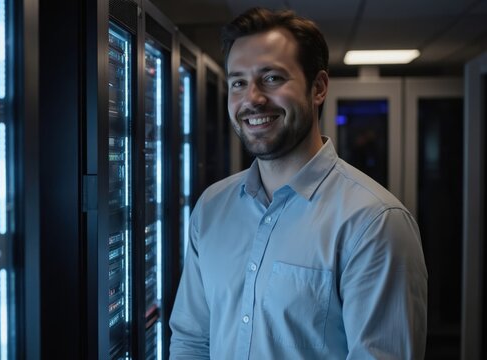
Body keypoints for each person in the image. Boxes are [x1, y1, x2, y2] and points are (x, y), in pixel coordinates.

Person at [169, 7, 427, 359]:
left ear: (318, 87)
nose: (252, 98)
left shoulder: (373, 222)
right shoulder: (212, 207)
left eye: (272, 78)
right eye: (238, 82)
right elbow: (191, 340)